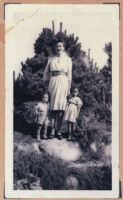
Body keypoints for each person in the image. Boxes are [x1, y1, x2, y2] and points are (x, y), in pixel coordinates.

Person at [43, 40, 72, 139]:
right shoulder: (51, 59)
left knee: (61, 108)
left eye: (60, 46)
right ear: (55, 48)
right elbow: (46, 73)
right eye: (57, 46)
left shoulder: (68, 59)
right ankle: (52, 130)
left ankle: (58, 131)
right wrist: (47, 85)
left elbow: (70, 75)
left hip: (63, 82)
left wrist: (68, 88)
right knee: (53, 108)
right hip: (53, 82)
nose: (59, 48)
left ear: (63, 48)